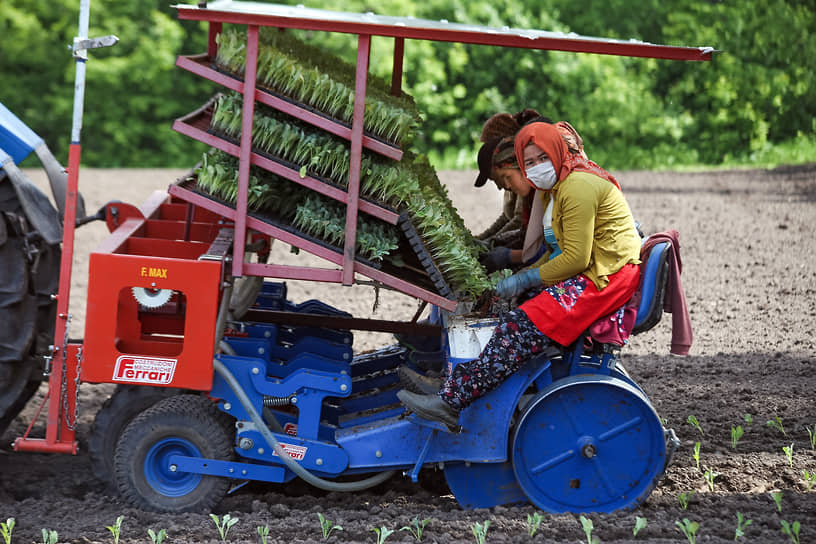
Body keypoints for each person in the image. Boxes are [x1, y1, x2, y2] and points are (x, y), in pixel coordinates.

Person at [398, 121, 642, 429]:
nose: (537, 167)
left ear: (557, 152)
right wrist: (525, 278)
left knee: (518, 326)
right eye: (529, 162)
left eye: (543, 158)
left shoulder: (578, 187)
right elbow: (557, 254)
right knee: (515, 314)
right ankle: (456, 386)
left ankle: (451, 402)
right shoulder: (557, 188)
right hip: (593, 274)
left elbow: (575, 259)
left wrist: (523, 279)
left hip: (605, 279)